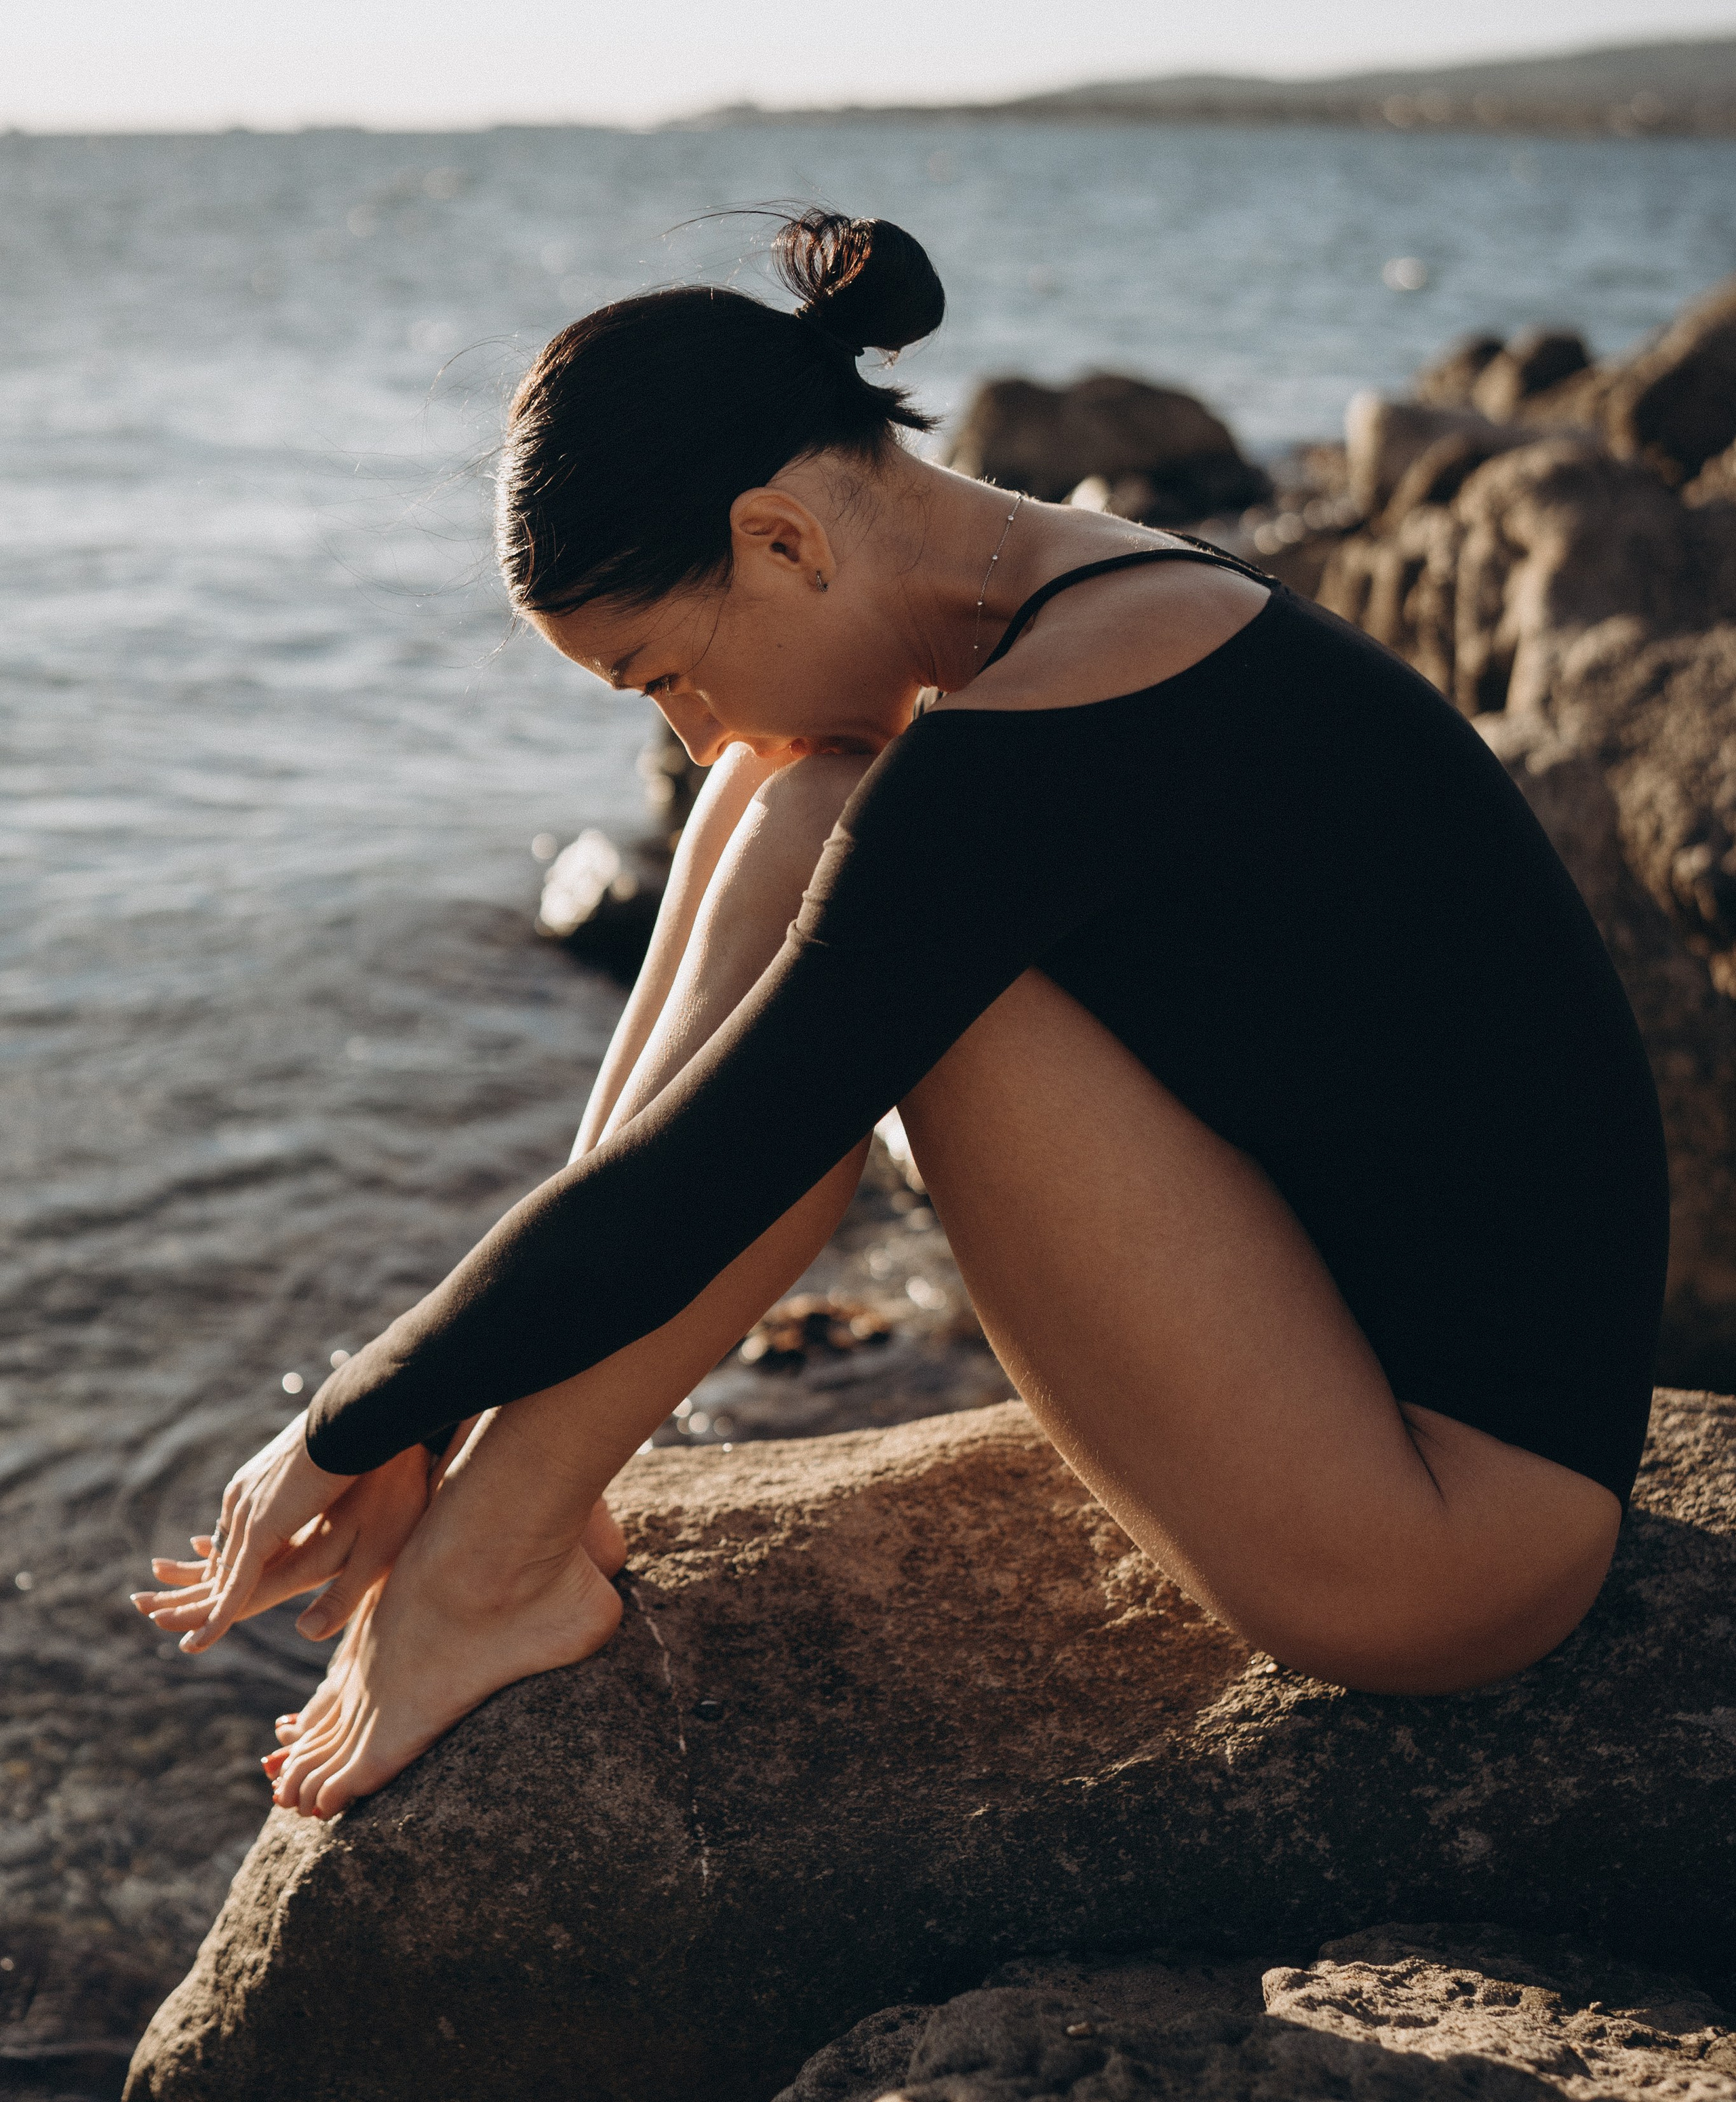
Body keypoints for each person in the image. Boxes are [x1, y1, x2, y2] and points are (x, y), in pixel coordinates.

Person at [133, 209, 1668, 1822]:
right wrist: (451, 1407)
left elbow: (731, 1159)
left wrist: (344, 1415)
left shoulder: (1048, 729)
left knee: (817, 885)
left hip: (1437, 1547)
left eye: (660, 668)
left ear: (784, 539)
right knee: (782, 793)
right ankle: (512, 1500)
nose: (683, 723)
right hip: (1385, 1399)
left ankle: (493, 1552)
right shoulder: (1102, 602)